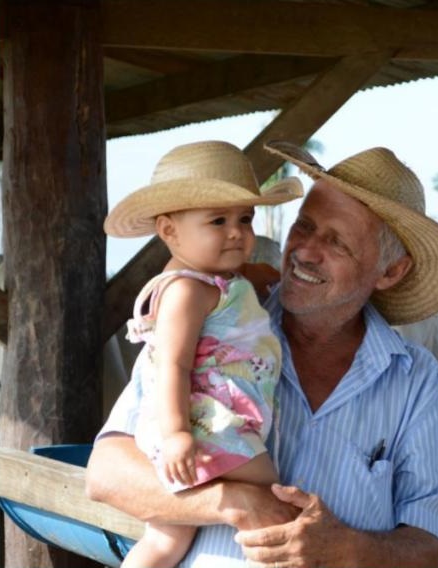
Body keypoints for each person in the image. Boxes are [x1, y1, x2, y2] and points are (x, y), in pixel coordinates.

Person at [86, 140, 438, 567]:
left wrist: (344, 549)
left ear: (391, 271)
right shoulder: (211, 327)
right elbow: (105, 475)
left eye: (336, 242)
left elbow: (426, 546)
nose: (304, 251)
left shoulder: (414, 379)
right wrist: (230, 501)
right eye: (303, 227)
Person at [100, 140, 303, 568]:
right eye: (218, 220)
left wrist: (249, 274)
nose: (238, 232)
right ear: (169, 232)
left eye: (245, 219)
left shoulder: (207, 282)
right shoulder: (187, 291)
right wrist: (177, 435)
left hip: (198, 430)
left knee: (165, 538)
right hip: (208, 428)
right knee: (274, 508)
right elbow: (173, 363)